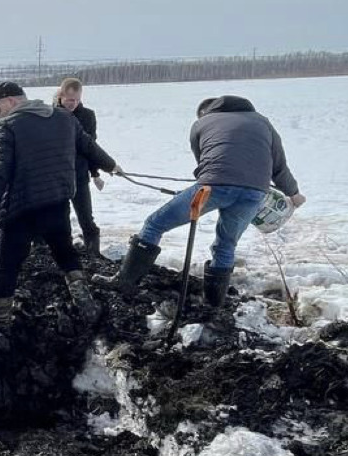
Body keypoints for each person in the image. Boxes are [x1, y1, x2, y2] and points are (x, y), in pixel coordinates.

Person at [107, 95, 306, 305]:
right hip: (255, 192)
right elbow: (279, 167)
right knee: (226, 245)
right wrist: (294, 193)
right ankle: (213, 304)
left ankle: (125, 283)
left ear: (205, 113)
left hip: (213, 186)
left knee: (154, 224)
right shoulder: (263, 122)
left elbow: (203, 163)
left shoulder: (200, 124)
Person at [0, 82, 121, 328]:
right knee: (65, 252)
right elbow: (88, 146)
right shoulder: (64, 118)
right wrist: (112, 166)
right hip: (57, 201)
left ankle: (0, 322)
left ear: (12, 101)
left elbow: (1, 173)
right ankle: (85, 304)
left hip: (20, 208)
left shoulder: (8, 127)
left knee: (7, 266)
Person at [54, 78, 103, 257]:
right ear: (61, 96)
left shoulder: (88, 116)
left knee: (86, 219)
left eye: (76, 100)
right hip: (56, 177)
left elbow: (91, 147)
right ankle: (60, 254)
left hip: (79, 175)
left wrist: (95, 173)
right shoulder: (51, 114)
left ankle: (93, 256)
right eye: (69, 100)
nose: (72, 104)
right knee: (57, 219)